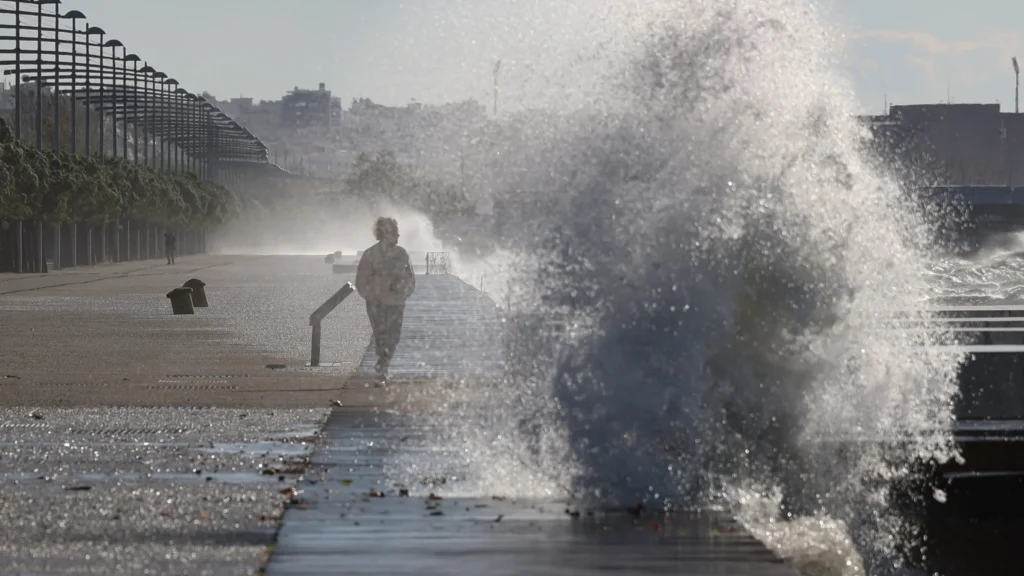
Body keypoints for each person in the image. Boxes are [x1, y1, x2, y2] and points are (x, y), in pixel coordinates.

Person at [355, 217, 416, 377]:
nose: (397, 235)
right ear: (383, 233)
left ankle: (383, 364)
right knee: (381, 336)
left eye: (397, 232)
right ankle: (383, 366)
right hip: (377, 304)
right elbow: (361, 280)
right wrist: (371, 297)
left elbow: (410, 277)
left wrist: (404, 293)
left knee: (394, 336)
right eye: (394, 232)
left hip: (396, 303)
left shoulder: (401, 253)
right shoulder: (370, 254)